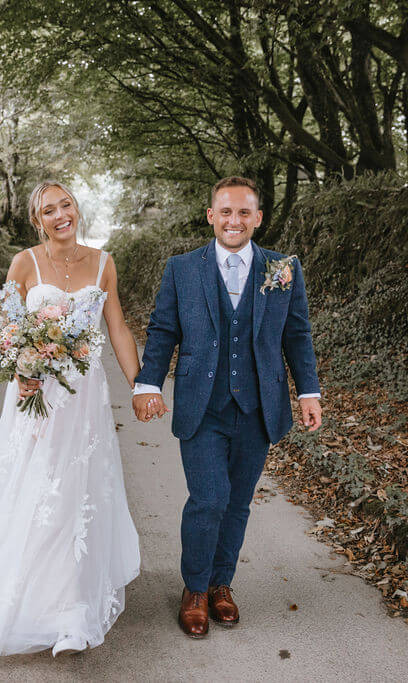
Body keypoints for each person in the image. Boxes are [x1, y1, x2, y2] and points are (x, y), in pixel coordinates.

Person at [0, 180, 141, 658]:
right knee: (38, 490)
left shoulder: (103, 263)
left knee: (77, 492)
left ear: (77, 209)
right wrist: (22, 369)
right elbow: (4, 329)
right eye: (48, 210)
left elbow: (116, 327)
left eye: (65, 205)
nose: (60, 215)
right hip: (35, 396)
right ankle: (31, 605)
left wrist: (142, 385)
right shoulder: (25, 262)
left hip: (85, 400)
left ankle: (72, 612)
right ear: (38, 221)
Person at [132, 176, 323, 638]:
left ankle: (222, 585)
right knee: (209, 499)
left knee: (237, 503)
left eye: (244, 213)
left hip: (259, 406)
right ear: (211, 216)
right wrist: (146, 383)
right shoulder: (182, 268)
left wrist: (308, 392)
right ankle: (195, 589)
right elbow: (162, 331)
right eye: (225, 211)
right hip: (203, 404)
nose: (234, 220)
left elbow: (296, 334)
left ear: (258, 218)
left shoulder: (283, 269)